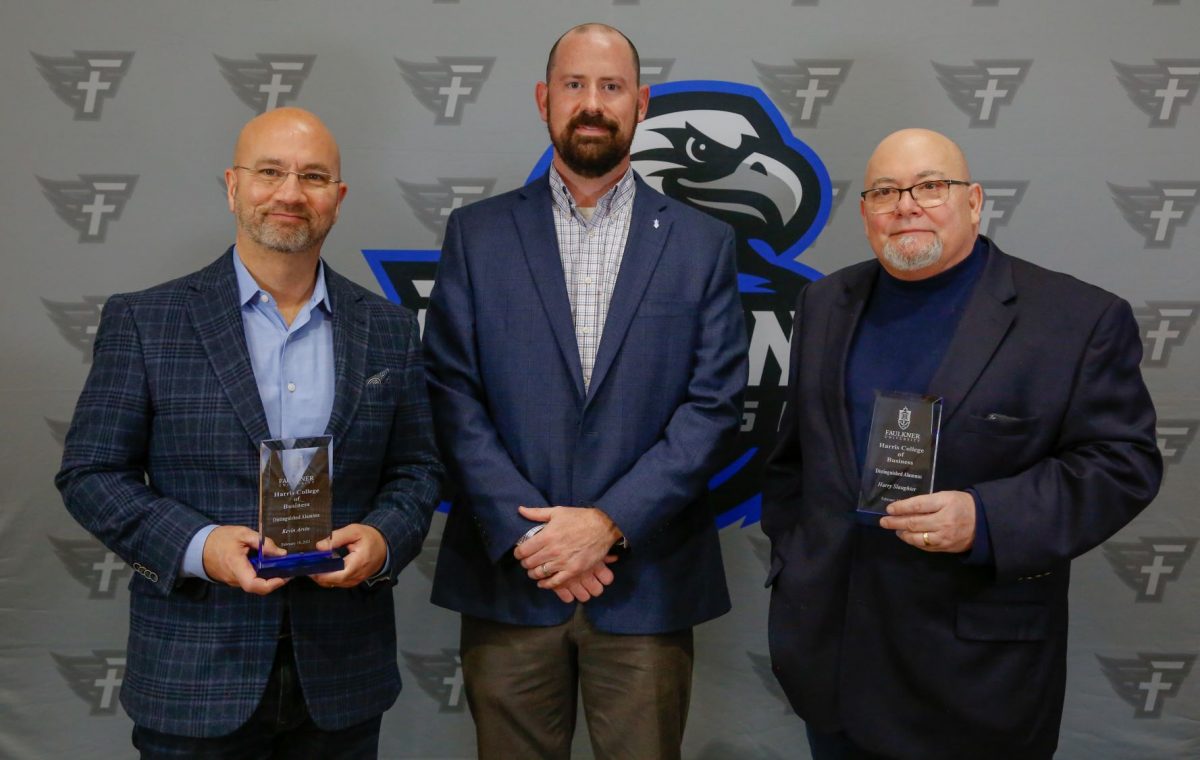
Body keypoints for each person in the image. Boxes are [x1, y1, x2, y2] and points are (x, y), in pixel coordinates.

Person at [762, 128, 1162, 760]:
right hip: (833, 662)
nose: (906, 204)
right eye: (886, 191)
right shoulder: (824, 302)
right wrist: (798, 558)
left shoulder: (1074, 319)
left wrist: (986, 518)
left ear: (974, 201)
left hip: (976, 675)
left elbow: (1122, 464)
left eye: (930, 186)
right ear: (865, 210)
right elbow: (795, 459)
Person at [56, 107, 442, 758]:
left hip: (342, 675)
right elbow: (91, 475)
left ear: (338, 199)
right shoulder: (147, 322)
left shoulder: (389, 329)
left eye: (313, 176)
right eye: (270, 172)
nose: (291, 193)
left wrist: (382, 538)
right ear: (233, 186)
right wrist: (201, 546)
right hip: (194, 674)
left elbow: (418, 471)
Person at [423, 22, 748, 760]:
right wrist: (536, 537)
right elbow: (451, 392)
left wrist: (607, 523)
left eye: (611, 87)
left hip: (648, 585)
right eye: (574, 85)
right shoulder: (477, 235)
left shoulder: (703, 244)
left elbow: (713, 406)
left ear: (642, 103)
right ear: (544, 100)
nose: (592, 103)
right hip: (512, 581)